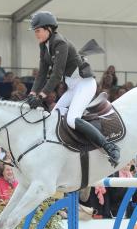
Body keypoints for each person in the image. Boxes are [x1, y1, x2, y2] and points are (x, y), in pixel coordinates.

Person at [27, 11, 120, 167]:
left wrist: (42, 95)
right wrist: (32, 93)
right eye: (35, 31)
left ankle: (110, 147)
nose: (36, 34)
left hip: (85, 84)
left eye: (38, 30)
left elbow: (56, 75)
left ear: (48, 29)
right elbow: (42, 72)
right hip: (73, 86)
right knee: (54, 116)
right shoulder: (44, 45)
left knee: (71, 119)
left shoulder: (59, 43)